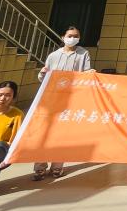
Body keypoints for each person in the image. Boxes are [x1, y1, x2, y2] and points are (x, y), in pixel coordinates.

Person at [34, 25, 93, 180]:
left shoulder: (83, 54)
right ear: (63, 37)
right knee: (43, 134)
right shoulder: (53, 55)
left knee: (61, 134)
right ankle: (39, 167)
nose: (73, 38)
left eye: (76, 36)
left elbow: (86, 74)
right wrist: (42, 73)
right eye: (70, 35)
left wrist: (90, 73)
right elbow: (43, 77)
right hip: (51, 99)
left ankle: (57, 167)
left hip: (70, 99)